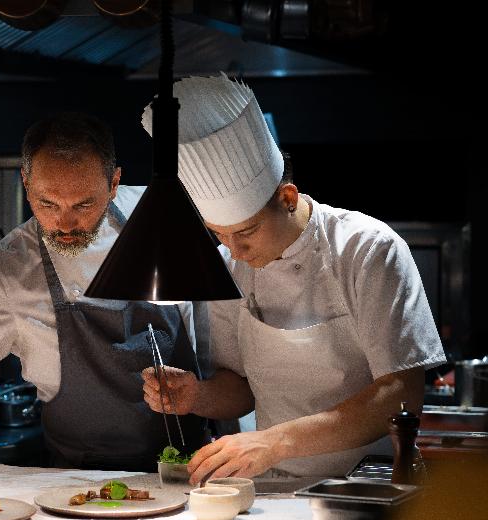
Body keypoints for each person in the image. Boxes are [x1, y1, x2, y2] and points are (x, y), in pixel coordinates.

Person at [0, 112, 213, 472]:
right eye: (48, 204)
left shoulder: (163, 224)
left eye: (84, 205)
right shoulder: (9, 271)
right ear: (26, 183)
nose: (65, 223)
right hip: (78, 482)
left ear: (114, 183)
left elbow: (218, 347)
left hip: (192, 469)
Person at [139, 74, 446, 481]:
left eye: (245, 232)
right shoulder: (228, 264)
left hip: (365, 484)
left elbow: (401, 395)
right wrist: (197, 395)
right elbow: (241, 387)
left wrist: (275, 441)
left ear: (287, 199)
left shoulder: (368, 250)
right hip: (272, 485)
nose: (234, 251)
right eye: (220, 234)